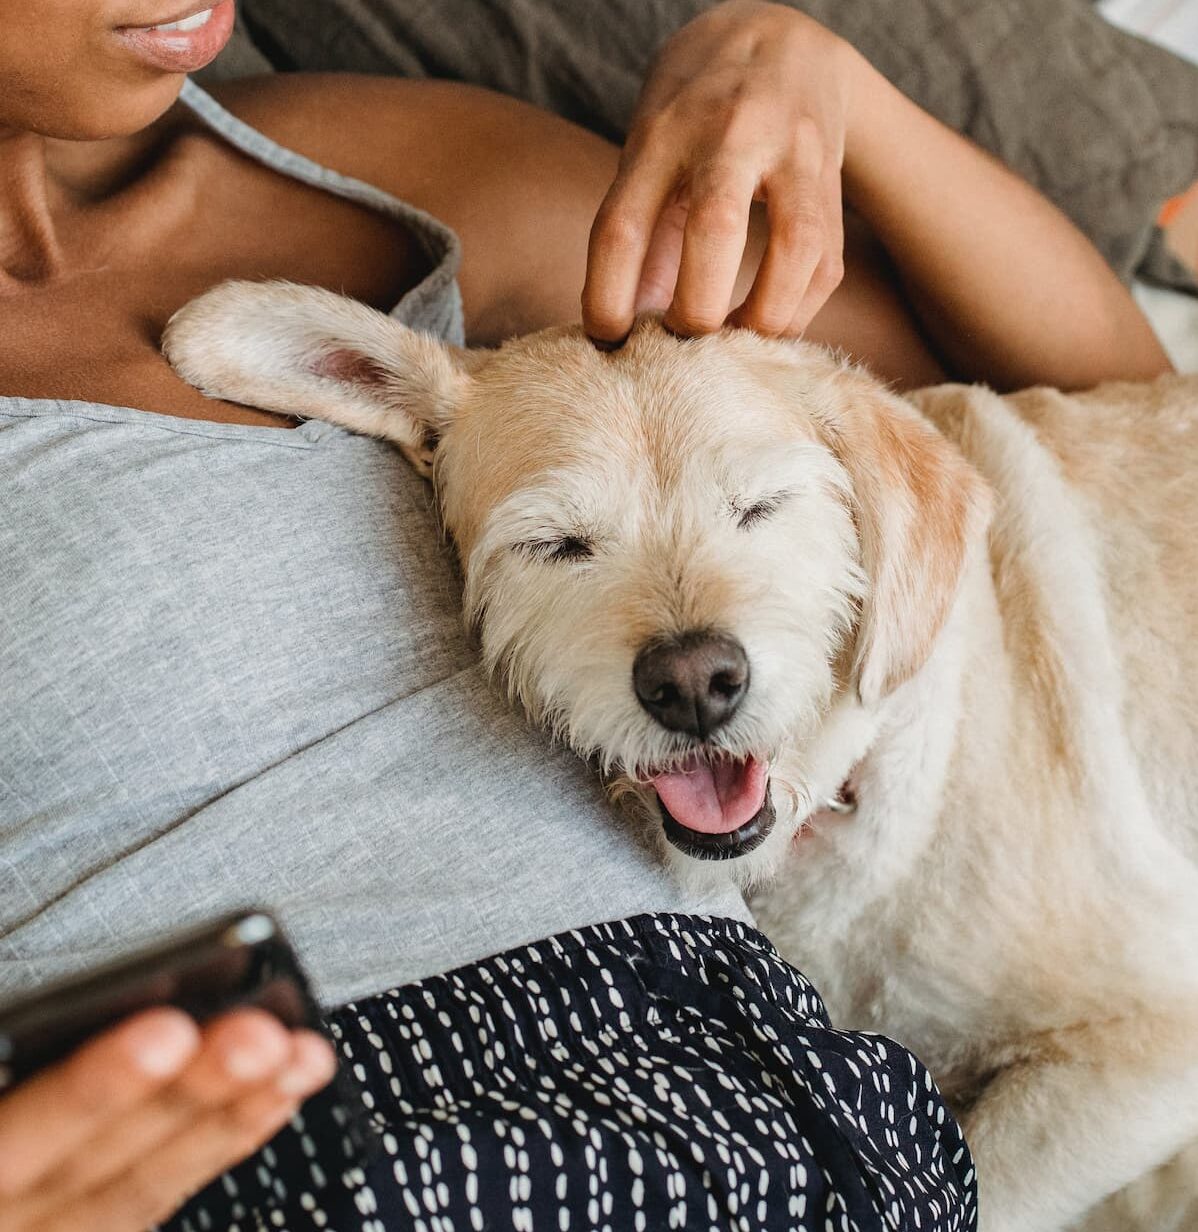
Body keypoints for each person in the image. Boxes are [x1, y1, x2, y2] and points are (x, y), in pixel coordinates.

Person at [0, 2, 1170, 1230]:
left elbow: (1102, 394)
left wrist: (843, 91)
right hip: (271, 1132)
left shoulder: (388, 173)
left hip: (766, 1100)